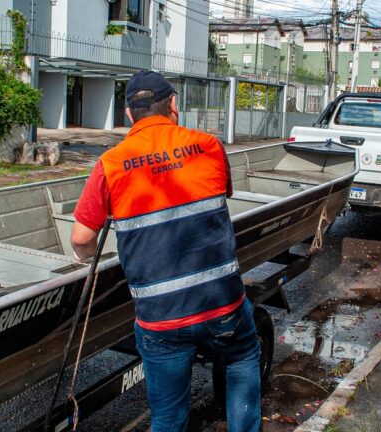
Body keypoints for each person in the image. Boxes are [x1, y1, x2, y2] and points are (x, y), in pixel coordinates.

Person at [70, 70, 261, 432]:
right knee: (241, 358)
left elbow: (81, 239)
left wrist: (86, 259)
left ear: (129, 114)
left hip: (161, 319)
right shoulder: (209, 146)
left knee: (169, 418)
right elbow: (218, 197)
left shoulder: (111, 164)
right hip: (221, 305)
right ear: (173, 105)